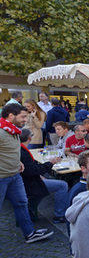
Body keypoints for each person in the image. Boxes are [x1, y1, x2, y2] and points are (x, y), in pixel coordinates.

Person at [0, 103, 54, 243]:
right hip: (2, 178)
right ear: (11, 115)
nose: (25, 120)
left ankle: (30, 234)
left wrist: (17, 161)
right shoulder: (1, 131)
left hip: (15, 176)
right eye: (23, 117)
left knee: (22, 203)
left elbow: (10, 150)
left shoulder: (13, 131)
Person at [19, 129, 69, 223]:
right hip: (30, 184)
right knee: (63, 185)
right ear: (29, 138)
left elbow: (31, 170)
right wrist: (51, 163)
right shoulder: (23, 152)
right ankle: (59, 215)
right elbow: (34, 170)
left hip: (25, 180)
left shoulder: (19, 149)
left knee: (54, 181)